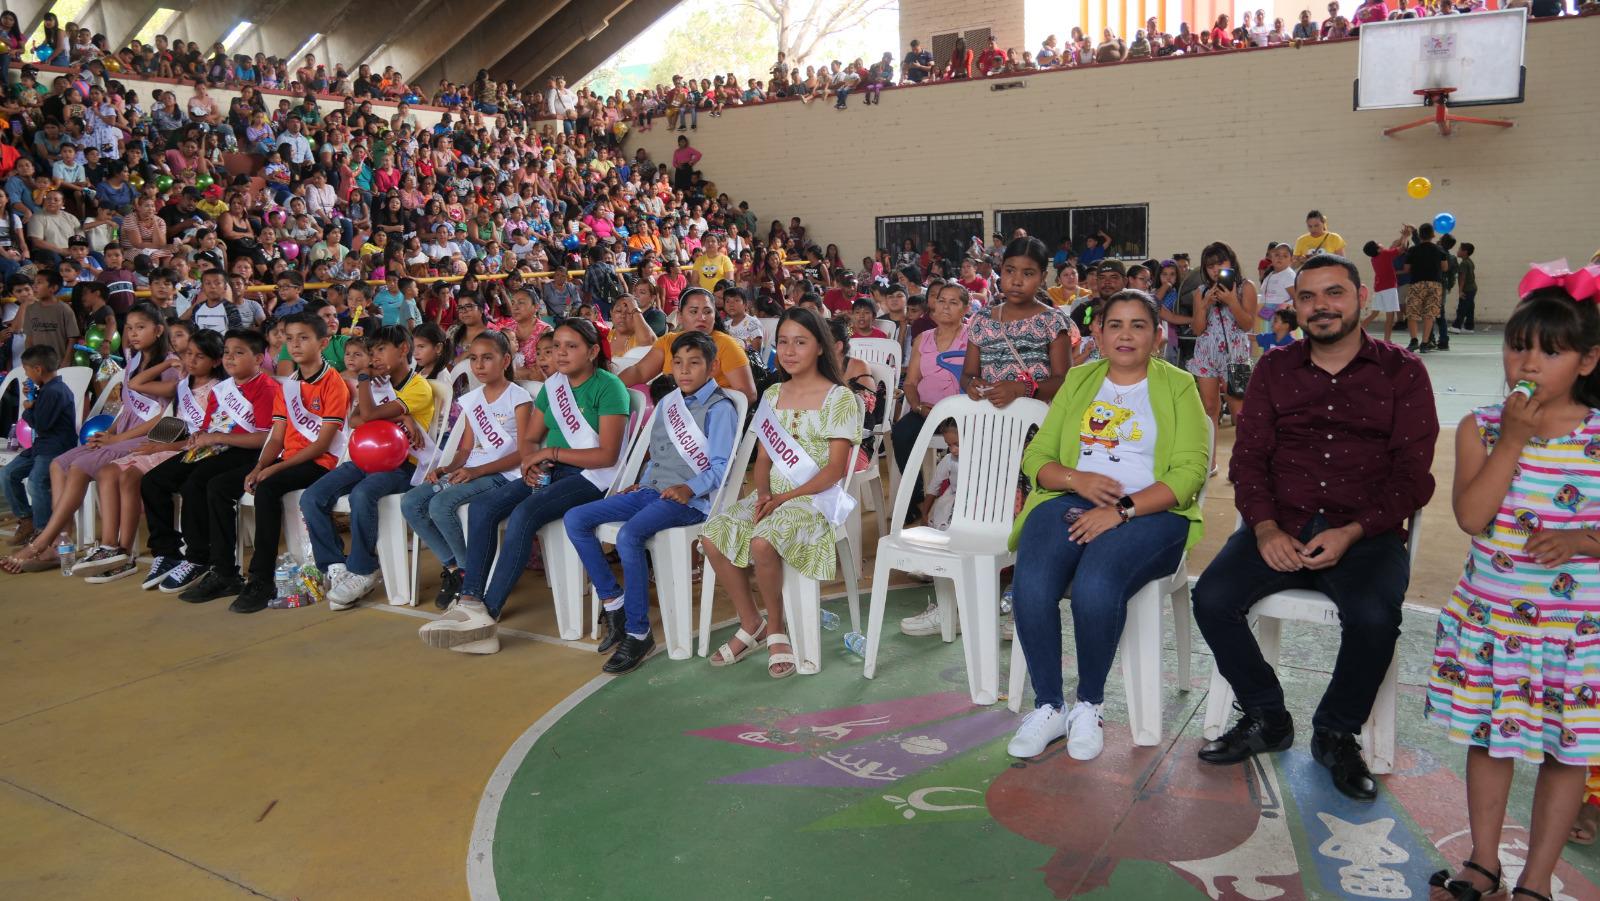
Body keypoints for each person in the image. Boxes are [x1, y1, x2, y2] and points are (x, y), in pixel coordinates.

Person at [1193, 255, 1439, 802]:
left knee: (1375, 616)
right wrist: (1264, 531)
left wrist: (1354, 532)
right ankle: (1266, 716)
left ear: (1362, 299)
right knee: (1211, 597)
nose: (1321, 306)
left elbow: (1411, 476)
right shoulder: (1275, 370)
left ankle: (1335, 731)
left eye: (1334, 294)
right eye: (1308, 297)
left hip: (1366, 530)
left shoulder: (1403, 373)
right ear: (1295, 305)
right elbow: (1249, 461)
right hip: (1283, 523)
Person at [1423, 272, 1600, 901]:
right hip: (1495, 623)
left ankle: (1536, 881)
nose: (1526, 362)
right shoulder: (1483, 427)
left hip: (1575, 633)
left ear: (1588, 360)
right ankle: (1484, 862)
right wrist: (1516, 440)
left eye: (1549, 352)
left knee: (1566, 754)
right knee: (1489, 741)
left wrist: (1582, 541)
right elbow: (1473, 517)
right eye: (1517, 346)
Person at [1006, 289, 1211, 760]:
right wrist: (1080, 479)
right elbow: (1038, 457)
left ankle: (1089, 706)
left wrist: (1120, 511)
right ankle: (1050, 707)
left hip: (1151, 513)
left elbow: (1188, 474)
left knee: (1097, 584)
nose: (1125, 335)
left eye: (1138, 325)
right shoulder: (1079, 380)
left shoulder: (1180, 386)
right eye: (1114, 324)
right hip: (1068, 498)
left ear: (1158, 336)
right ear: (1096, 333)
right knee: (1032, 583)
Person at [419, 318, 629, 655]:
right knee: (484, 508)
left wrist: (550, 452)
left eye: (571, 346)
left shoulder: (608, 387)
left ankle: (487, 616)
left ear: (592, 351)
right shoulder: (553, 387)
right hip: (551, 469)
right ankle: (472, 601)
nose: (560, 353)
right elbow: (530, 439)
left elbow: (606, 455)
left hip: (590, 478)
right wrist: (531, 463)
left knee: (524, 515)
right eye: (556, 345)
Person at [565, 330, 739, 673]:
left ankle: (638, 631)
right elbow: (657, 456)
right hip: (652, 491)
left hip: (691, 501)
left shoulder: (721, 409)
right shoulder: (669, 402)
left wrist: (689, 488)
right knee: (576, 518)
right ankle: (614, 602)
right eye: (677, 363)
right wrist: (639, 483)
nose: (685, 371)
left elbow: (722, 467)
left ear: (713, 366)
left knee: (630, 536)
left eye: (694, 363)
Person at [701, 308, 860, 678]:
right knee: (712, 536)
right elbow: (763, 458)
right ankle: (750, 621)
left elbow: (835, 469)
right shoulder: (773, 394)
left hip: (814, 498)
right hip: (773, 495)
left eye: (800, 342)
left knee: (761, 542)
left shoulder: (839, 398)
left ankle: (776, 627)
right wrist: (761, 495)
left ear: (820, 347)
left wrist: (782, 500)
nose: (789, 351)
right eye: (783, 342)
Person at [8, 304, 178, 574]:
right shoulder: (133, 360)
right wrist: (110, 432)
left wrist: (118, 438)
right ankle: (60, 542)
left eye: (140, 328)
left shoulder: (170, 366)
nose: (133, 334)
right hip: (122, 432)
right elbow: (127, 407)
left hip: (147, 436)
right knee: (58, 464)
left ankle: (42, 542)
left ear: (158, 331)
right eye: (129, 328)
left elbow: (163, 418)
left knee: (78, 467)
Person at [210, 312, 353, 612]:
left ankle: (261, 579)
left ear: (323, 343)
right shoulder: (289, 385)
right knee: (224, 484)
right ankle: (223, 571)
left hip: (321, 462)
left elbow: (323, 444)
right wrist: (260, 465)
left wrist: (275, 468)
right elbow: (276, 437)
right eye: (289, 339)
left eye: (304, 338)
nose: (295, 345)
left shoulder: (333, 383)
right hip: (289, 459)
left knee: (268, 488)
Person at [300, 325, 436, 609]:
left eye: (381, 350)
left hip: (403, 465)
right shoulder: (377, 384)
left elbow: (370, 414)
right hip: (365, 458)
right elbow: (356, 420)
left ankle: (363, 569)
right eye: (371, 352)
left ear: (403, 350)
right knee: (311, 497)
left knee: (363, 494)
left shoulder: (418, 387)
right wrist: (396, 418)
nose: (374, 357)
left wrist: (363, 377)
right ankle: (335, 565)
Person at [139, 328, 281, 594]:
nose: (230, 358)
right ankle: (167, 551)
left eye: (239, 353)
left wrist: (215, 438)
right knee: (153, 481)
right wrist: (198, 440)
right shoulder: (223, 388)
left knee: (196, 484)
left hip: (244, 452)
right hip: (214, 448)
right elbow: (207, 427)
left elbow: (265, 438)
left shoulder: (266, 388)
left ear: (259, 358)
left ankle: (198, 557)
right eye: (227, 352)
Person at [402, 330, 531, 611]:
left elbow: (524, 452)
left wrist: (476, 471)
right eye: (474, 359)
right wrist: (447, 467)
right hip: (470, 470)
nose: (479, 365)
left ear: (505, 359)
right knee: (411, 502)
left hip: (502, 475)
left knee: (441, 505)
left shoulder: (518, 398)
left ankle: (469, 574)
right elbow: (466, 448)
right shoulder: (474, 399)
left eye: (488, 358)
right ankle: (456, 569)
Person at [84, 332, 225, 585]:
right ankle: (110, 547)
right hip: (172, 437)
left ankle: (126, 552)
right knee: (107, 471)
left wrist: (164, 447)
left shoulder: (219, 390)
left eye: (199, 356)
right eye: (187, 354)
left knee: (132, 477)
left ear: (215, 361)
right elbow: (136, 384)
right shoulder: (184, 383)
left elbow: (210, 435)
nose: (190, 361)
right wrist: (169, 363)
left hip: (194, 448)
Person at [961, 237, 1075, 409]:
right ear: (1001, 269)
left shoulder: (1053, 322)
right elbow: (967, 374)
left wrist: (1021, 389)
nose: (1016, 281)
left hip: (1037, 426)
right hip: (988, 423)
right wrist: (972, 384)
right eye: (1010, 270)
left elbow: (1062, 381)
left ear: (1043, 277)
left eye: (1028, 273)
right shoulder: (982, 320)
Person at [616, 288, 757, 402]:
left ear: (715, 316)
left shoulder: (726, 344)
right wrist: (609, 389)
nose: (701, 317)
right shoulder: (668, 341)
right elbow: (639, 372)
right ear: (680, 317)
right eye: (694, 311)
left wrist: (703, 403)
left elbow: (748, 395)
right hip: (672, 414)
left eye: (707, 312)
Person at [1, 346, 75, 556]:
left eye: (27, 370)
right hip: (42, 446)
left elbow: (41, 424)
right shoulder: (46, 388)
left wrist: (28, 407)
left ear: (38, 369)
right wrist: (32, 398)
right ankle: (26, 520)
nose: (26, 374)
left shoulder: (55, 392)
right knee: (8, 474)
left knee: (36, 482)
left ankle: (43, 531)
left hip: (56, 447)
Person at [1186, 241, 1259, 431]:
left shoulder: (1246, 287)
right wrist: (1204, 305)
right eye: (1210, 266)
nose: (1215, 270)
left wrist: (1232, 301)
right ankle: (1211, 461)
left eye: (1220, 263)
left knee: (1239, 413)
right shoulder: (1201, 292)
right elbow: (1197, 330)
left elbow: (1247, 324)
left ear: (1231, 263)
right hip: (1206, 355)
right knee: (1210, 409)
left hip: (1237, 357)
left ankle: (1243, 460)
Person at [1404, 222, 1450, 353]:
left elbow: (1406, 268)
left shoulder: (1413, 250)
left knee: (1412, 313)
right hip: (1435, 284)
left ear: (1421, 235)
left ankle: (1413, 341)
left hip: (1417, 283)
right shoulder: (1439, 249)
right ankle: (1425, 343)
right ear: (1433, 235)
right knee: (1429, 315)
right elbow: (1445, 267)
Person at [1362, 230, 1407, 344]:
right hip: (1389, 289)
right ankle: (1387, 340)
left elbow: (1394, 247)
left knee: (1374, 314)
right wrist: (1406, 236)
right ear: (1378, 249)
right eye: (1379, 244)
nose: (1381, 243)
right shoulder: (1385, 254)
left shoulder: (1374, 258)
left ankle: (1356, 333)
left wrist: (1402, 235)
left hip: (1379, 289)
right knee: (1390, 316)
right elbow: (1401, 249)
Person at [1450, 242, 1477, 335]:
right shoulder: (1470, 261)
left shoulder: (1464, 264)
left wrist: (1460, 291)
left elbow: (1462, 278)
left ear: (1465, 252)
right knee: (1469, 308)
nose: (1458, 251)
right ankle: (1469, 327)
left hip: (1467, 289)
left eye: (1459, 249)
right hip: (1472, 288)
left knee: (1462, 308)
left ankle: (1456, 326)